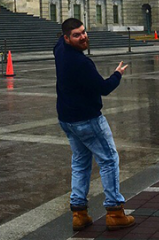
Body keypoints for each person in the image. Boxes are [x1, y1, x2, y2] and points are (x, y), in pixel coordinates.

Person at [54, 18, 135, 232]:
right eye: (77, 35)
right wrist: (117, 74)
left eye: (83, 32)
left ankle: (79, 213)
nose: (83, 37)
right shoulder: (81, 63)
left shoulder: (59, 50)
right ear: (66, 38)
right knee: (109, 160)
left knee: (80, 163)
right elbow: (103, 88)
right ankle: (115, 211)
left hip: (67, 119)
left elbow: (57, 43)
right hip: (87, 119)